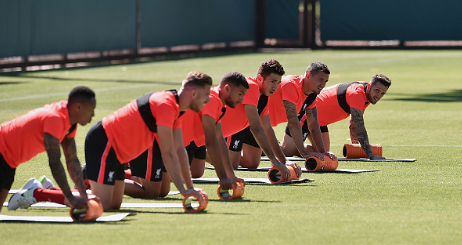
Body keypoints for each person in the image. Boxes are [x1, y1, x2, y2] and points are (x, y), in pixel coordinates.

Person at [85, 71, 211, 211]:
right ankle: (69, 194)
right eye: (206, 95)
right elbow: (168, 152)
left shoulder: (177, 110)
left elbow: (179, 150)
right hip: (104, 143)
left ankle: (90, 180)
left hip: (118, 154)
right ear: (193, 93)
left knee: (114, 205)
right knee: (105, 205)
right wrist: (183, 190)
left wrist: (190, 188)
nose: (208, 100)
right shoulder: (166, 104)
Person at [123, 72, 249, 199]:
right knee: (151, 192)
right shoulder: (213, 101)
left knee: (162, 191)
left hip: (166, 144)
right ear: (227, 88)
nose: (242, 99)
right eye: (240, 94)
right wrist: (222, 177)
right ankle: (109, 180)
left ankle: (115, 176)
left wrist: (229, 175)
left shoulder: (219, 106)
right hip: (152, 142)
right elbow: (211, 142)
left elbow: (220, 140)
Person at [2, 86, 96, 212]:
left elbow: (71, 159)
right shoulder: (55, 118)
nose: (93, 114)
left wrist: (84, 196)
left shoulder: (71, 123)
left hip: (9, 163)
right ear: (78, 107)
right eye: (91, 110)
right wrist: (70, 197)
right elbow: (55, 162)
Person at [220, 59, 302, 180]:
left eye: (278, 83)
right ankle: (204, 150)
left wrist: (284, 160)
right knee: (232, 165)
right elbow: (256, 128)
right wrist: (274, 161)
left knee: (252, 163)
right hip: (231, 128)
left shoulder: (264, 96)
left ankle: (220, 153)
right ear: (259, 78)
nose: (275, 87)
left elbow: (267, 129)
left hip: (246, 125)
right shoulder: (251, 87)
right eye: (272, 81)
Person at [280, 74, 391, 160]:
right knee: (286, 153)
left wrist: (356, 149)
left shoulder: (368, 96)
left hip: (320, 122)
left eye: (382, 93)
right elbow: (359, 126)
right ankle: (267, 145)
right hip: (308, 115)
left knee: (322, 154)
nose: (378, 96)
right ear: (370, 86)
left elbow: (353, 124)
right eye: (377, 91)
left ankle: (281, 146)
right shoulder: (357, 93)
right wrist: (371, 155)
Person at [267, 61, 336, 161]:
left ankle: (267, 145)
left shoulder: (312, 92)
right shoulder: (291, 85)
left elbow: (313, 122)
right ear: (308, 75)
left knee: (252, 161)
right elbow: (293, 123)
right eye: (320, 79)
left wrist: (322, 152)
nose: (323, 84)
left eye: (325, 81)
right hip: (252, 121)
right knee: (250, 162)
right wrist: (304, 153)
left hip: (263, 125)